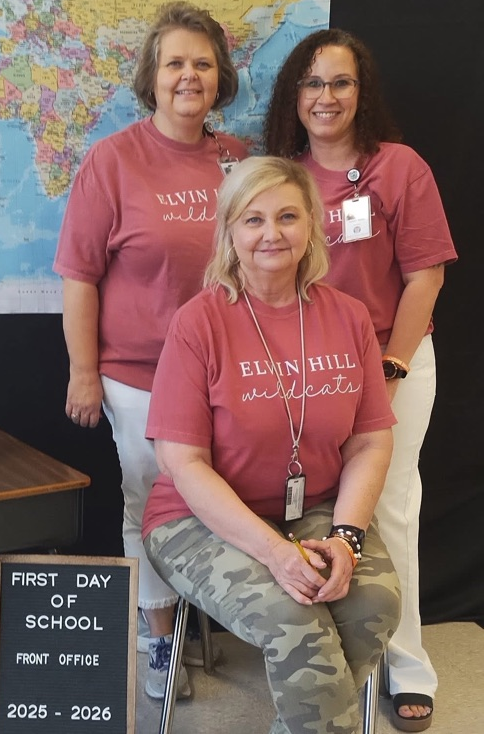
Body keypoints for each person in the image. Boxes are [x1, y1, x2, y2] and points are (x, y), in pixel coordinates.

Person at [143, 155, 401, 733]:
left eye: (288, 216)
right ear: (229, 232)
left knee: (373, 609)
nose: (272, 233)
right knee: (297, 622)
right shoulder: (199, 323)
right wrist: (276, 553)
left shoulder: (349, 317)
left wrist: (346, 537)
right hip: (198, 521)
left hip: (316, 509)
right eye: (253, 220)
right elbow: (182, 464)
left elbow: (368, 443)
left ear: (311, 224)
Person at [264, 28, 457, 732]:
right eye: (311, 83)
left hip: (394, 358)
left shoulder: (400, 167)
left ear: (361, 92)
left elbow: (425, 275)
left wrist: (393, 367)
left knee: (391, 508)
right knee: (316, 508)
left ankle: (406, 665)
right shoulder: (281, 175)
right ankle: (332, 650)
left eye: (340, 82)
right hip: (309, 366)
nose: (325, 97)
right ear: (294, 95)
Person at [53, 1, 247, 699]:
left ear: (220, 76)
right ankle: (159, 635)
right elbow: (79, 275)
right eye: (174, 63)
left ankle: (228, 621)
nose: (188, 76)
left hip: (228, 374)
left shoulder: (240, 158)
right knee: (153, 503)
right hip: (138, 376)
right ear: (152, 76)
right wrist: (83, 373)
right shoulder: (114, 160)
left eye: (202, 63)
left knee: (223, 500)